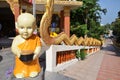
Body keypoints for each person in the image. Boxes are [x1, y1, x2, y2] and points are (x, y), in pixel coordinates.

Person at [11, 13, 42, 78]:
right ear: (17, 26)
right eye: (22, 27)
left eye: (29, 28)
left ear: (34, 27)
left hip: (33, 59)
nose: (25, 31)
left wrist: (36, 54)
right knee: (20, 66)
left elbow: (38, 47)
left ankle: (33, 70)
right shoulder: (17, 38)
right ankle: (20, 71)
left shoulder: (36, 38)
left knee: (33, 66)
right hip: (20, 60)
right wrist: (17, 52)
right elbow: (13, 48)